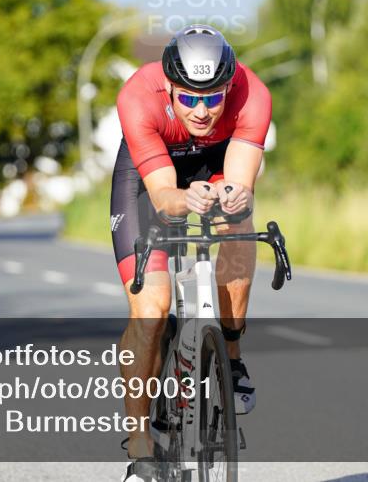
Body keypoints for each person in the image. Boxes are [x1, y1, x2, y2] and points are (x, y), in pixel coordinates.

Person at [111, 24, 271, 481]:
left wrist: (234, 197)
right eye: (189, 98)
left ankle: (232, 359)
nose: (202, 111)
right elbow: (163, 196)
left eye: (213, 98)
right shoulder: (138, 97)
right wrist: (185, 198)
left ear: (230, 84)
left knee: (238, 224)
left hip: (216, 164)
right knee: (153, 306)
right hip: (149, 176)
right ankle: (140, 446)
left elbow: (240, 180)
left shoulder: (252, 94)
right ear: (169, 87)